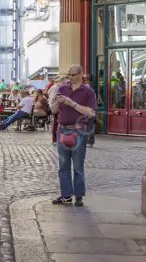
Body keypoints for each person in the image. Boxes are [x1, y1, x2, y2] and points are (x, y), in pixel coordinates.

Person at [50, 64, 97, 207]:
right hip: (63, 130)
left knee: (78, 166)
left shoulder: (88, 92)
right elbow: (53, 110)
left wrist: (72, 103)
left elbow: (91, 112)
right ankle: (66, 196)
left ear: (81, 74)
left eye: (73, 75)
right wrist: (57, 103)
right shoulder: (62, 89)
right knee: (63, 166)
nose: (70, 78)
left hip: (79, 132)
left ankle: (79, 196)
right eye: (69, 75)